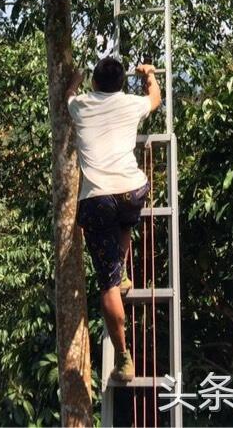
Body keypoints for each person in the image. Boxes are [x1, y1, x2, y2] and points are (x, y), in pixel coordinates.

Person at [66, 55, 162, 384]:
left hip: (97, 198)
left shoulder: (79, 104)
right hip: (133, 191)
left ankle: (123, 358)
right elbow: (155, 100)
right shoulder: (132, 104)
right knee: (124, 218)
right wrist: (148, 74)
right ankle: (120, 273)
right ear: (122, 84)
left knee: (106, 284)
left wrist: (75, 79)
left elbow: (67, 95)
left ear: (94, 82)